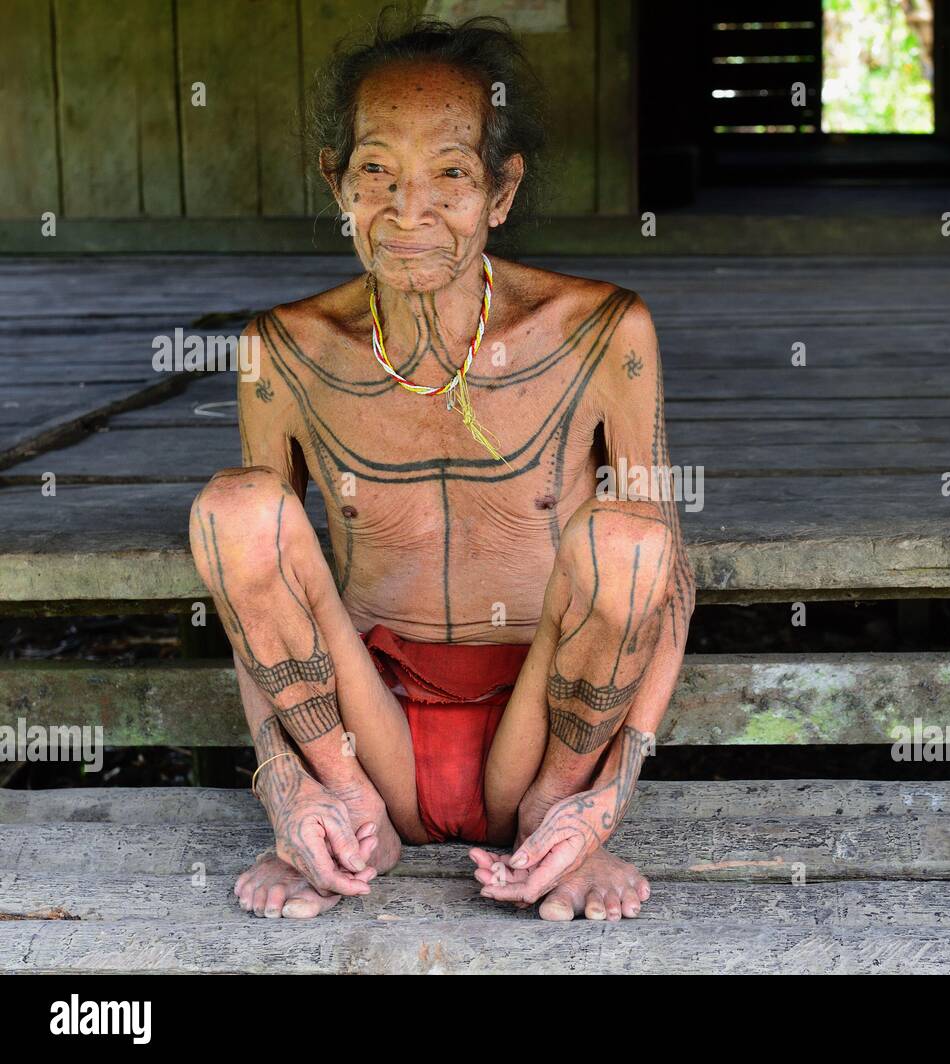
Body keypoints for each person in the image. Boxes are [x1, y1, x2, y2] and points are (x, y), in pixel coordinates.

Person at [188, 15, 693, 922]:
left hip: (546, 731)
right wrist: (289, 790)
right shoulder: (283, 350)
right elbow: (247, 591)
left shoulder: (605, 331)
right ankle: (346, 816)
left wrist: (602, 803)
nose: (408, 209)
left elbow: (670, 581)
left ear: (502, 191)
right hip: (359, 732)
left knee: (631, 540)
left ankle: (548, 825)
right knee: (234, 510)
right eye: (376, 171)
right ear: (334, 182)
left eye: (451, 174)